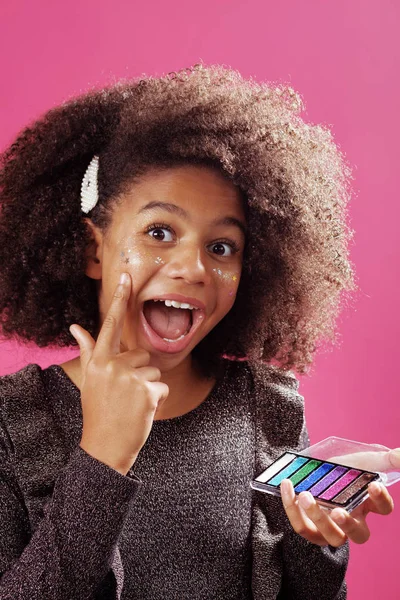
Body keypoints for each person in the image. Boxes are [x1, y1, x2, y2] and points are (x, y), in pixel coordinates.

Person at [0, 63, 395, 600]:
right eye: (159, 232)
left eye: (221, 246)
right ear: (94, 248)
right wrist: (101, 458)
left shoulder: (264, 408)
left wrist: (312, 538)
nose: (194, 267)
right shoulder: (16, 421)